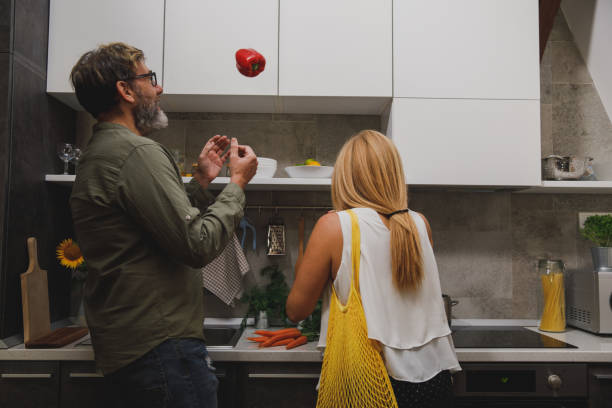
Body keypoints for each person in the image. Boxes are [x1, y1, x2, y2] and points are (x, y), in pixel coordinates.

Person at [69, 42, 257, 408]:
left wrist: (201, 182)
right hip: (162, 349)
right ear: (125, 90)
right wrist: (236, 184)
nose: (159, 88)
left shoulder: (100, 152)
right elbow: (197, 244)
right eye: (148, 78)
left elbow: (153, 227)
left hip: (133, 347)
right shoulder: (137, 152)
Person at [286, 130, 461, 407]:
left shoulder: (335, 226)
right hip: (434, 381)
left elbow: (296, 311)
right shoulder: (419, 224)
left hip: (370, 382)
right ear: (394, 174)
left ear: (345, 179)